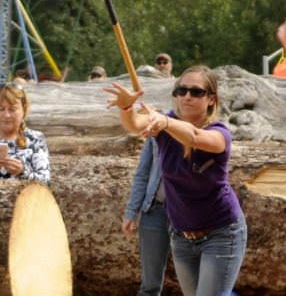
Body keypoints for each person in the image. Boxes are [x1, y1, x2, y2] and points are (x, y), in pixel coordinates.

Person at [104, 65, 246, 296]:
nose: (187, 96)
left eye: (196, 92)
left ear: (211, 99)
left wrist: (166, 123)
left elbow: (195, 136)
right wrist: (127, 106)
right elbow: (135, 125)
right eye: (182, 90)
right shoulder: (163, 123)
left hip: (222, 233)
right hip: (181, 236)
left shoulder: (220, 133)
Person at [122, 137, 170, 296]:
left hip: (188, 216)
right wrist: (131, 211)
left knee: (195, 283)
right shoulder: (158, 129)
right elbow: (143, 173)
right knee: (149, 286)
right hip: (154, 211)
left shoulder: (207, 131)